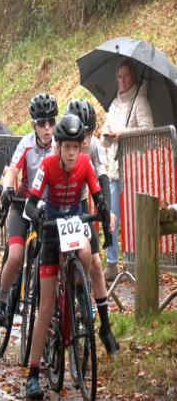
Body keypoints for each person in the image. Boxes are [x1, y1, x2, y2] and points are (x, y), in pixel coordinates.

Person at [23, 115, 112, 399]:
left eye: (76, 147)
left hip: (74, 220)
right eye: (67, 147)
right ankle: (34, 373)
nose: (72, 153)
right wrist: (35, 211)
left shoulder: (85, 164)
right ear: (58, 147)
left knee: (87, 252)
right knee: (46, 306)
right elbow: (31, 199)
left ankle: (78, 291)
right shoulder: (48, 165)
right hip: (51, 227)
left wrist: (102, 205)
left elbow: (97, 193)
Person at [0, 93, 58, 325]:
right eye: (42, 123)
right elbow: (12, 169)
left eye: (52, 121)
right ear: (34, 125)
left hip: (49, 206)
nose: (48, 128)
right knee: (17, 255)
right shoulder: (27, 143)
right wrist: (8, 187)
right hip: (23, 203)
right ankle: (0, 300)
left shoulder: (60, 144)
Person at [66, 99, 120, 355]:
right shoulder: (64, 143)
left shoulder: (95, 147)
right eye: (82, 132)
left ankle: (105, 327)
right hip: (58, 208)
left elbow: (103, 178)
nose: (86, 139)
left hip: (80, 209)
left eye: (89, 132)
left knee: (96, 265)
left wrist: (106, 212)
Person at [100, 59, 153, 281]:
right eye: (119, 77)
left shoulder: (140, 102)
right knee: (111, 217)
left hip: (132, 170)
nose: (122, 80)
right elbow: (106, 129)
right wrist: (106, 135)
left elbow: (148, 132)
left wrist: (123, 134)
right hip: (113, 168)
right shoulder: (114, 103)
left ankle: (133, 263)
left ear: (133, 78)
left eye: (126, 76)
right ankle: (112, 263)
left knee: (132, 218)